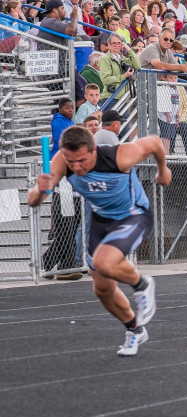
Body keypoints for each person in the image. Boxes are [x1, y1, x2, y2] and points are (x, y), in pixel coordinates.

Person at [27, 126, 171, 356]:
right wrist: (40, 190)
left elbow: (154, 142)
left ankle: (142, 285)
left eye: (82, 160)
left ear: (94, 151)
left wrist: (162, 170)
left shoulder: (120, 156)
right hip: (101, 221)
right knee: (103, 289)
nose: (77, 167)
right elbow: (33, 200)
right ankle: (135, 331)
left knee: (105, 262)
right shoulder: (61, 162)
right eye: (72, 162)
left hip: (133, 215)